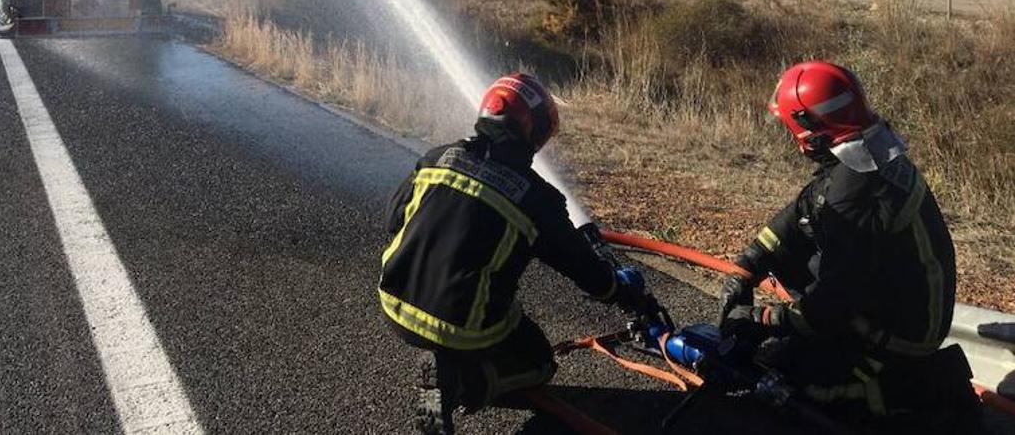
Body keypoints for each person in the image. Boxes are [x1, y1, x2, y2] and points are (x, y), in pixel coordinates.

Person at [379, 73, 653, 434]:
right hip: (461, 327)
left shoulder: (436, 158)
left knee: (498, 309)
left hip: (393, 303)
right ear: (534, 131)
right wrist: (619, 291)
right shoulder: (538, 199)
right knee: (540, 363)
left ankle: (451, 366)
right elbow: (581, 266)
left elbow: (393, 219)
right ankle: (463, 382)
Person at [718, 60, 978, 429]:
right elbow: (802, 210)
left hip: (904, 332)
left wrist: (765, 321)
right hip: (896, 293)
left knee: (797, 382)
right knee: (797, 258)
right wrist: (747, 266)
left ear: (808, 129)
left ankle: (901, 385)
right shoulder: (865, 151)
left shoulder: (854, 191)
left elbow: (837, 298)